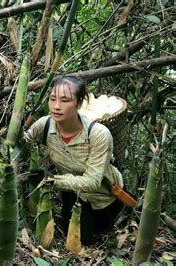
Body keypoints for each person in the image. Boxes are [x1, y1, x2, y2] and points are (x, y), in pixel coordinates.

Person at [23, 75, 124, 245]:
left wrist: (51, 180)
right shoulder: (44, 125)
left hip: (103, 199)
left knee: (85, 240)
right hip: (72, 193)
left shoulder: (98, 134)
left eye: (65, 100)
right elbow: (23, 144)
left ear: (78, 104)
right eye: (52, 99)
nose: (56, 106)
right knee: (68, 235)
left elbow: (92, 182)